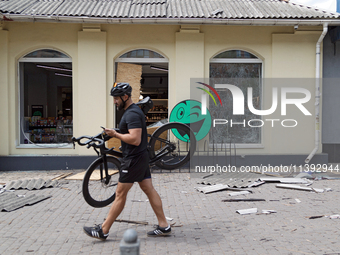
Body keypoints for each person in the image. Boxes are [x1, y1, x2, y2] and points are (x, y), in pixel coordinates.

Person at [83, 82, 171, 240]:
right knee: (148, 189)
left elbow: (135, 139)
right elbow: (128, 131)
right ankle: (164, 225)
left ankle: (103, 230)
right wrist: (111, 133)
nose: (114, 101)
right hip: (139, 157)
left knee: (120, 194)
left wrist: (116, 135)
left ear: (125, 97)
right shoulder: (132, 111)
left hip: (133, 159)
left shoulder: (131, 114)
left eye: (116, 98)